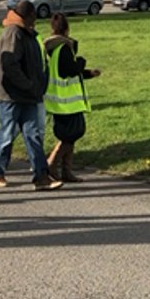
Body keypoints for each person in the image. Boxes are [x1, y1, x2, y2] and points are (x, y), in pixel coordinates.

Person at [0, 0, 61, 191]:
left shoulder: (27, 33)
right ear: (26, 16)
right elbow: (10, 65)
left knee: (33, 134)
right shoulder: (13, 33)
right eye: (32, 16)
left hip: (29, 95)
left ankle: (41, 176)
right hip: (11, 96)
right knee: (7, 134)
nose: (35, 19)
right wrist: (28, 85)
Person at [43, 12, 101, 183]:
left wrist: (88, 73)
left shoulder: (52, 49)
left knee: (70, 135)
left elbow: (68, 73)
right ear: (67, 29)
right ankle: (52, 162)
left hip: (59, 101)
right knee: (73, 133)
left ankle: (66, 170)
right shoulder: (64, 49)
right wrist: (82, 62)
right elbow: (69, 70)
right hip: (67, 102)